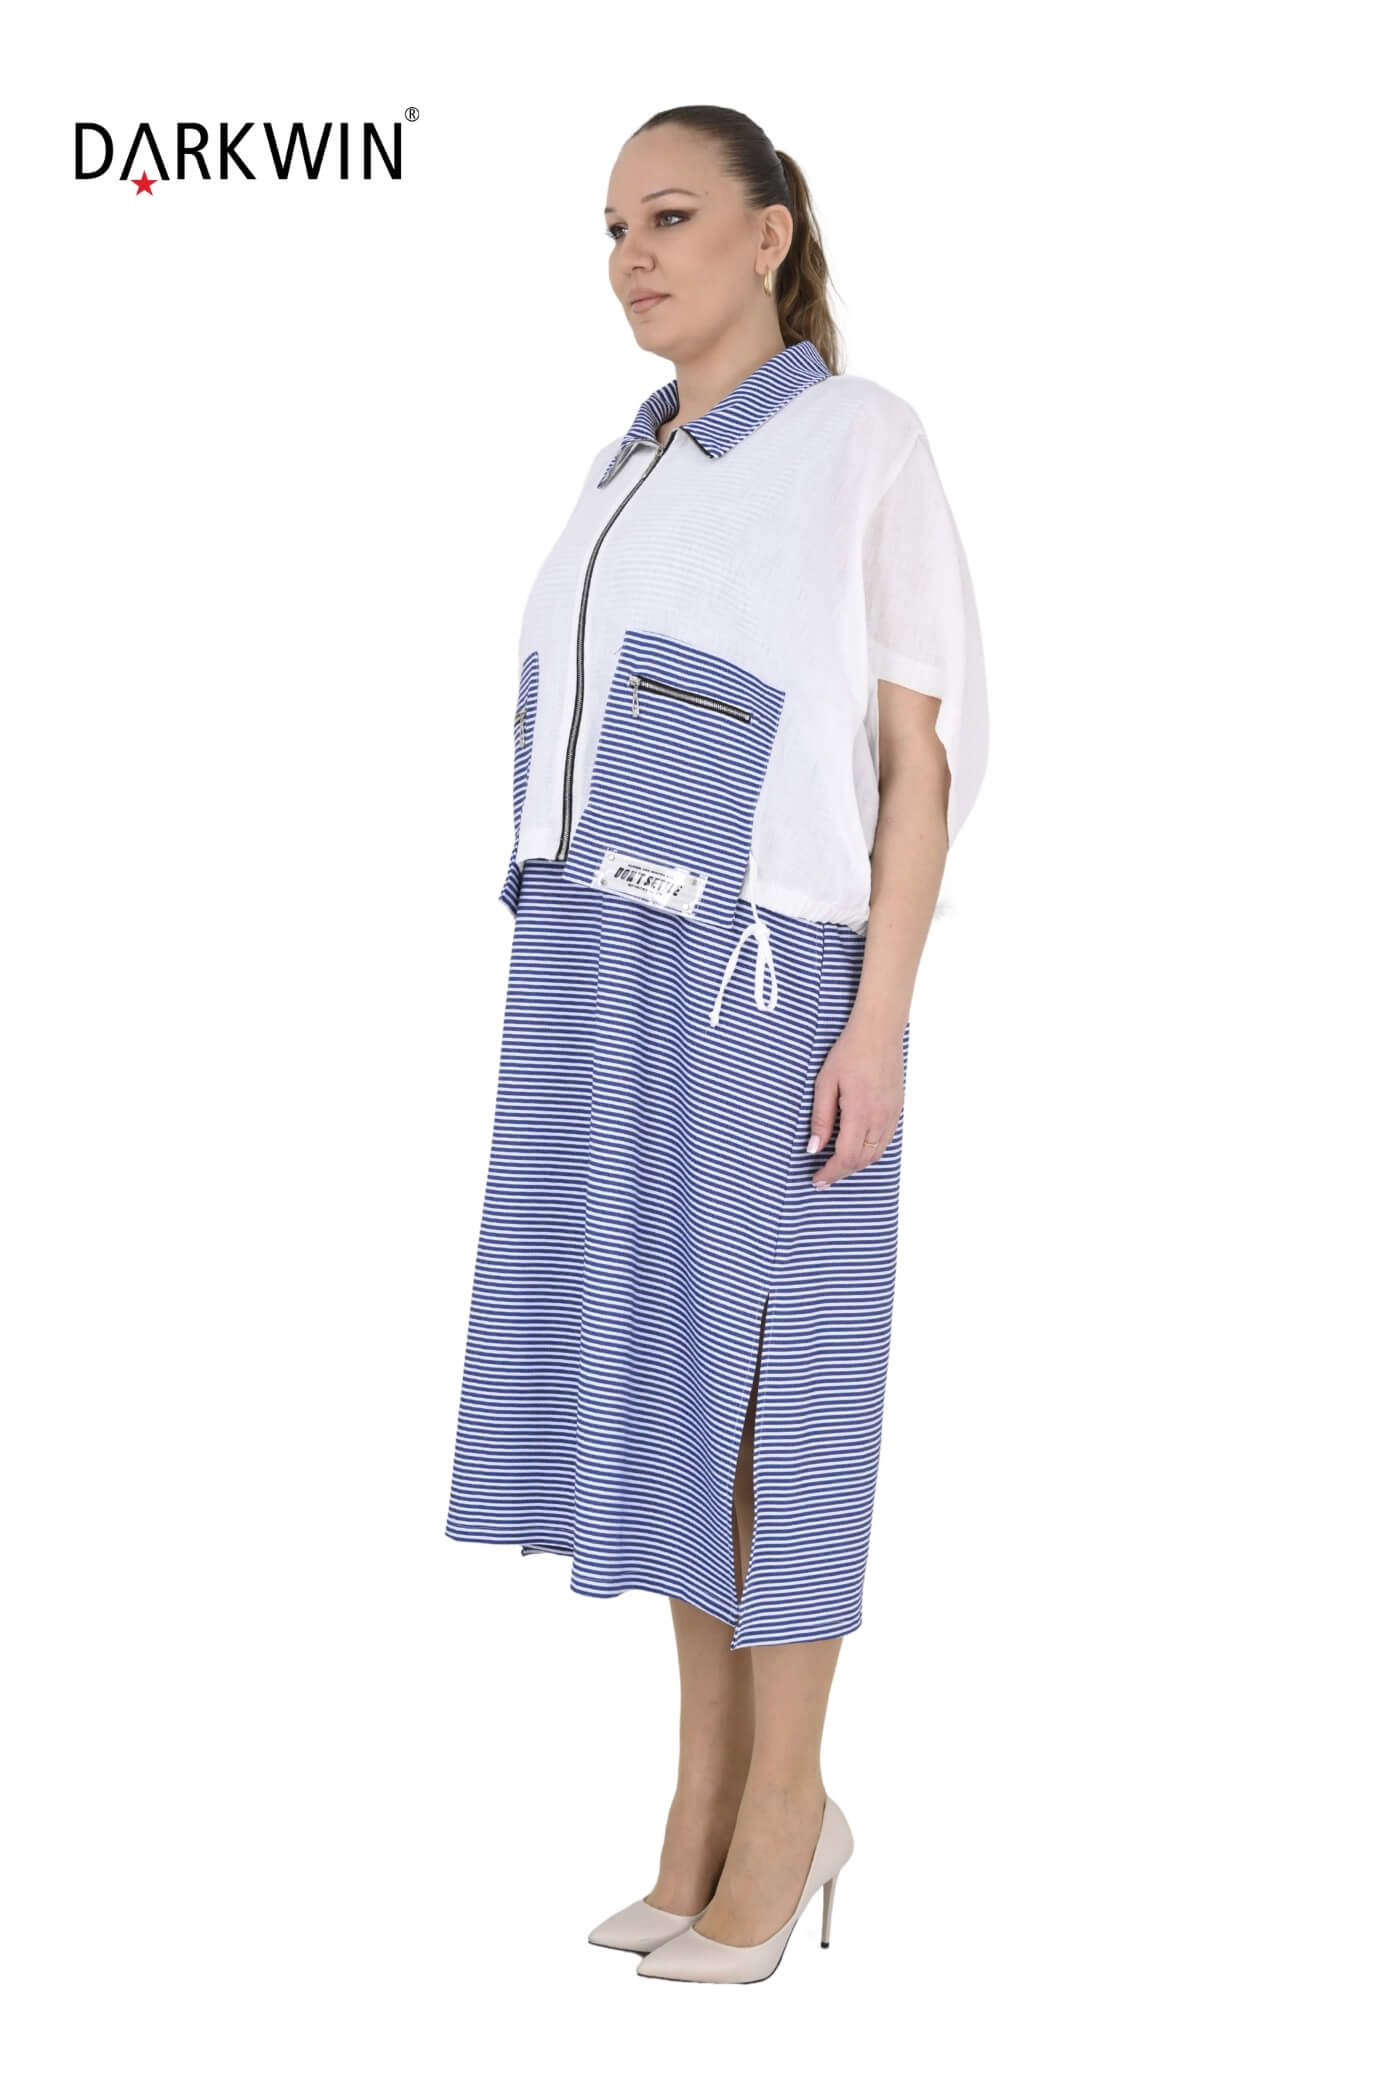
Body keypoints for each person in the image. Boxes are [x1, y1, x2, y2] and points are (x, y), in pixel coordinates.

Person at [444, 103, 989, 1985]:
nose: (633, 257)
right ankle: (703, 1797)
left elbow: (918, 762)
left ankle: (789, 1807)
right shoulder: (625, 465)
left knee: (782, 1389)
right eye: (612, 229)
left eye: (670, 217)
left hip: (771, 975)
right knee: (668, 1390)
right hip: (597, 964)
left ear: (770, 235)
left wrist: (881, 1020)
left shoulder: (859, 440)